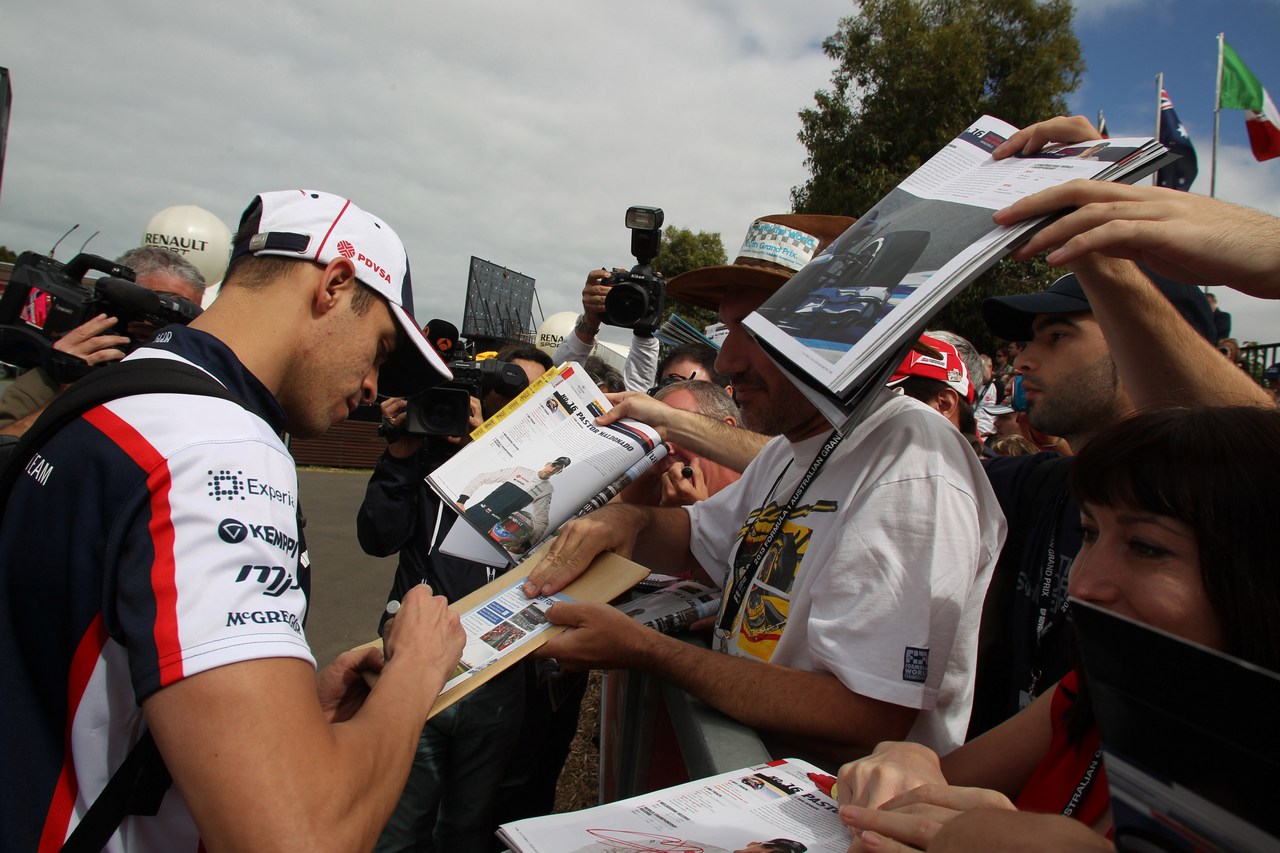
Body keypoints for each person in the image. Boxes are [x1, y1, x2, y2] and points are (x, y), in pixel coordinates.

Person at [0, 189, 466, 851]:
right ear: (335, 284)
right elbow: (299, 837)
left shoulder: (127, 390)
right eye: (381, 347)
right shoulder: (222, 452)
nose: (372, 385)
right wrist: (418, 671)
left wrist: (291, 712)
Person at [525, 213, 1005, 763]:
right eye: (730, 330)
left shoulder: (914, 466)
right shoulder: (789, 447)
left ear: (848, 328)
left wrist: (647, 651)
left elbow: (866, 716)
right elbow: (697, 535)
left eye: (758, 331)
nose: (727, 362)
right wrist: (627, 521)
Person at [835, 405, 1280, 848]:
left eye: (1146, 548)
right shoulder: (1082, 697)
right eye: (1088, 532)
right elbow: (932, 789)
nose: (1082, 584)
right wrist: (909, 756)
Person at [357, 342, 549, 852]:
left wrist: (490, 450)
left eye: (523, 399)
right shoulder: (421, 457)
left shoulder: (538, 479)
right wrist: (399, 457)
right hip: (413, 668)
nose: (506, 407)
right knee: (399, 825)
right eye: (499, 392)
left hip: (496, 673)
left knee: (467, 827)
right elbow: (377, 538)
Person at [0, 246, 206, 436]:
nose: (162, 326)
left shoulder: (192, 383)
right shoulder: (58, 374)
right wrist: (74, 391)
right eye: (154, 306)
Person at [555, 270, 659, 392]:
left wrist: (647, 316)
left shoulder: (627, 407)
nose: (602, 411)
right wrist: (589, 320)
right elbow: (557, 378)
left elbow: (637, 394)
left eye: (610, 405)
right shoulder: (558, 394)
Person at [457, 456, 571, 554]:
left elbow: (542, 521)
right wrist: (461, 500)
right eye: (554, 465)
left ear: (559, 473)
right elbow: (483, 477)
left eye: (558, 469)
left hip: (492, 527)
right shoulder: (520, 471)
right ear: (547, 463)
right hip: (475, 511)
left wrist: (526, 545)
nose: (553, 469)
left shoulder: (546, 489)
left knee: (465, 550)